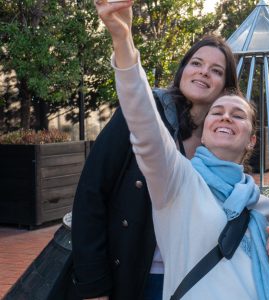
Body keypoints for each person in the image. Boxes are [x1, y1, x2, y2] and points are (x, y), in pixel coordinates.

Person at [92, 1, 269, 299]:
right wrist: (123, 38)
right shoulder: (180, 181)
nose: (226, 117)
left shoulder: (262, 207)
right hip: (143, 277)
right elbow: (143, 120)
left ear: (252, 140)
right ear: (204, 133)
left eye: (238, 114)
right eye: (218, 113)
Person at [71, 10, 239, 300]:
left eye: (216, 70)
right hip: (135, 276)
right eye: (196, 63)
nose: (203, 72)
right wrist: (93, 285)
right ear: (182, 70)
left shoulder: (220, 140)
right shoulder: (142, 117)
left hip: (194, 281)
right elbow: (90, 193)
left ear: (225, 86)